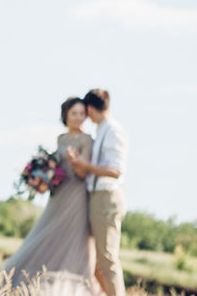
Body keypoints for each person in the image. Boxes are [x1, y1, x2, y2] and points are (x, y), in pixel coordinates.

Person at [0, 97, 96, 295]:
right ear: (66, 115)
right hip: (58, 193)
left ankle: (64, 286)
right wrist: (40, 178)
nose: (79, 117)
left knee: (71, 238)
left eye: (82, 113)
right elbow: (55, 168)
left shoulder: (87, 140)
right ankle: (29, 279)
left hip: (76, 194)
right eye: (74, 113)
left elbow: (84, 173)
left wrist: (75, 163)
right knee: (45, 233)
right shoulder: (61, 138)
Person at [66, 89, 129, 296]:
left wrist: (85, 165)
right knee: (96, 263)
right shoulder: (102, 129)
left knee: (107, 259)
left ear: (91, 109)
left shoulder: (113, 131)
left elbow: (116, 171)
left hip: (107, 198)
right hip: (96, 198)